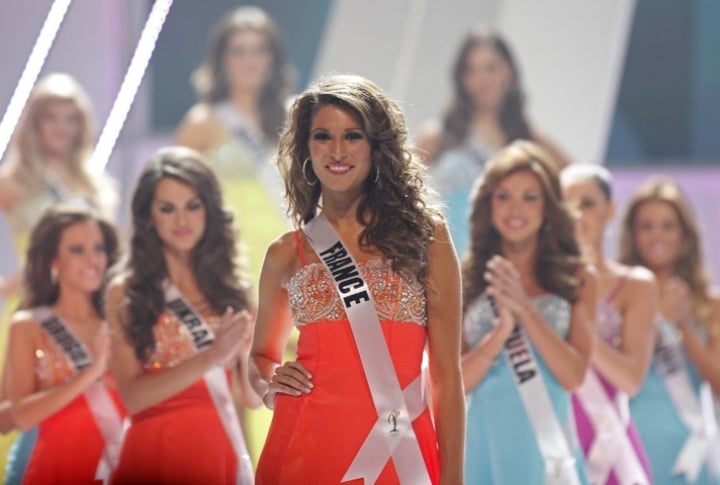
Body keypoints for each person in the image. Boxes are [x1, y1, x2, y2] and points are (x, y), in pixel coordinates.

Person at [250, 74, 465, 484]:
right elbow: (260, 356)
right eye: (322, 137)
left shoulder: (426, 236)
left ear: (376, 147)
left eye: (352, 136)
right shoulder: (285, 253)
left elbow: (446, 377)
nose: (337, 151)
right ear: (306, 149)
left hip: (399, 454)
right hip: (303, 451)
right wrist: (267, 384)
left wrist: (453, 477)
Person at [107, 147, 259, 484]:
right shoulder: (127, 290)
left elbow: (249, 399)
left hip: (218, 451)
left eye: (193, 205)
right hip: (152, 452)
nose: (182, 221)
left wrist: (247, 351)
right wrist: (211, 357)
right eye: (167, 208)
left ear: (209, 210)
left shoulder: (235, 290)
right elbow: (132, 396)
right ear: (148, 216)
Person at [0, 72, 119, 481]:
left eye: (71, 118)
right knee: (21, 412)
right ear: (34, 122)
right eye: (51, 117)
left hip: (89, 310)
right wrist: (12, 281)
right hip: (33, 309)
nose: (61, 128)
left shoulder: (96, 185)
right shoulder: (13, 182)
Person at [461, 141, 595, 484]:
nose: (514, 208)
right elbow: (453, 382)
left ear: (549, 207)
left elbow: (573, 376)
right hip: (482, 444)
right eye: (503, 195)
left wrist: (525, 311)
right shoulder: (465, 278)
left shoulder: (578, 278)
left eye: (529, 196)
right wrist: (501, 332)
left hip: (546, 451)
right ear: (488, 204)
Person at [416, 27, 570, 257]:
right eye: (471, 70)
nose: (481, 79)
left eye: (490, 68)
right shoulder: (439, 135)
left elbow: (577, 187)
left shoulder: (528, 141)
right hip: (440, 265)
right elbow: (396, 191)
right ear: (461, 77)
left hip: (500, 270)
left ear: (509, 71)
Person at [5, 203, 124, 484]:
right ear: (53, 260)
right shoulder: (28, 325)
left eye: (98, 248)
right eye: (77, 250)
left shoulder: (121, 323)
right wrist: (91, 373)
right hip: (52, 465)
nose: (92, 260)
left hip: (116, 466)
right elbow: (19, 415)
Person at [175, 5, 294, 284]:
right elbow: (169, 195)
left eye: (259, 50)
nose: (249, 60)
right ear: (222, 60)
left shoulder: (296, 116)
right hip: (235, 260)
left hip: (292, 252)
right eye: (239, 51)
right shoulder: (202, 122)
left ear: (273, 59)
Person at [620, 176, 720, 484]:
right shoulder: (616, 297)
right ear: (633, 235)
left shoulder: (709, 303)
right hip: (627, 443)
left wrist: (683, 325)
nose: (656, 236)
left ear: (685, 234)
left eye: (667, 225)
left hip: (690, 445)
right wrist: (653, 319)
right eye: (646, 226)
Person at [562, 164, 656, 484]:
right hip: (553, 432)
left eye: (587, 203)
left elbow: (631, 380)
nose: (576, 214)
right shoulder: (537, 283)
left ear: (611, 210)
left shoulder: (636, 284)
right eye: (566, 203)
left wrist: (579, 325)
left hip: (608, 440)